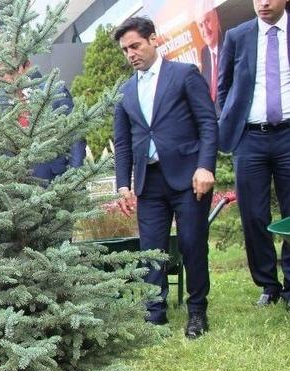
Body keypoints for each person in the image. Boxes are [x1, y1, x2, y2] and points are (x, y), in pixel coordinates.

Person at [113, 16, 217, 338]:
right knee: (152, 249)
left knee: (191, 244)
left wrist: (205, 166)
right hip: (149, 181)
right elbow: (123, 143)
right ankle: (154, 314)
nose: (131, 54)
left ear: (153, 40)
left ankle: (197, 311)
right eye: (125, 50)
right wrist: (123, 185)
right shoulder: (125, 91)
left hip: (189, 177)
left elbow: (208, 123)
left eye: (135, 46)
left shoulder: (184, 75)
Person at [217, 0, 290, 307]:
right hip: (250, 139)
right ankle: (268, 285)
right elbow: (223, 87)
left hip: (288, 134)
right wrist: (230, 123)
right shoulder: (237, 36)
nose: (263, 2)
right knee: (253, 214)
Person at [195, 0, 223, 107]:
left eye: (207, 21)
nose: (205, 30)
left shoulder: (230, 44)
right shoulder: (204, 53)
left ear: (216, 18)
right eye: (201, 25)